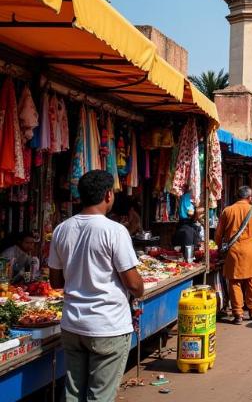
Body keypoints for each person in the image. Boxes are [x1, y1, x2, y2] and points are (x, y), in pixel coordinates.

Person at [49, 170, 144, 402]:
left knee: (73, 393)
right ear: (108, 195)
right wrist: (139, 289)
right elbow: (133, 283)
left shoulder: (62, 229)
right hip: (107, 326)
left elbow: (55, 281)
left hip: (73, 325)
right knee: (99, 396)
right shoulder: (115, 231)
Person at [216, 185, 252, 324]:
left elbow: (218, 234)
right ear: (249, 197)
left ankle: (238, 313)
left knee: (234, 282)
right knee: (251, 280)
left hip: (233, 252)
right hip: (250, 250)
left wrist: (220, 248)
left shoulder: (227, 210)